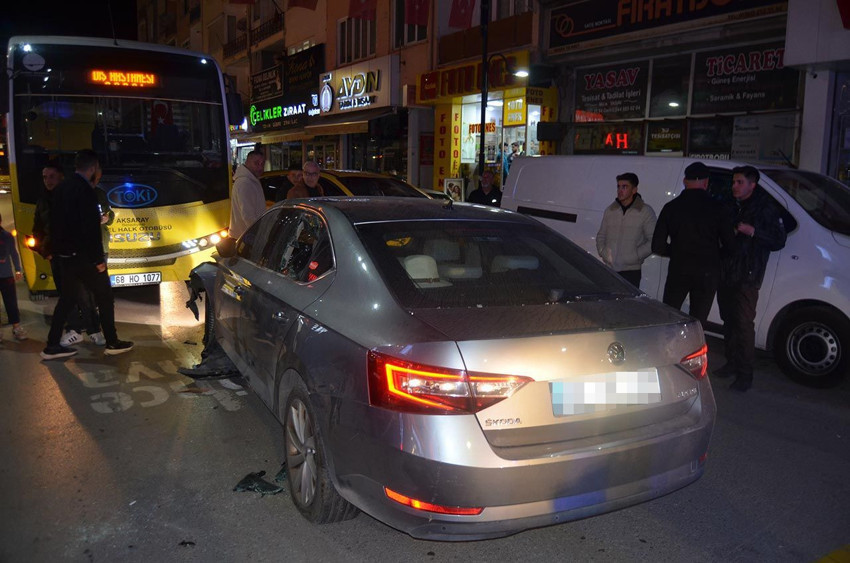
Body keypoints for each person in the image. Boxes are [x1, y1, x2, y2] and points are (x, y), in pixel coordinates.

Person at [41, 149, 133, 360]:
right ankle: (112, 341)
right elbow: (90, 229)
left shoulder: (62, 188)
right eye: (98, 168)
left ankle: (52, 345)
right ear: (93, 168)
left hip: (66, 257)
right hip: (84, 257)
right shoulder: (85, 190)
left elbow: (55, 224)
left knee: (66, 300)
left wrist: (58, 251)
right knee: (105, 296)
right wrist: (97, 260)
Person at [715, 166, 787, 392]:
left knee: (744, 324)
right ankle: (731, 363)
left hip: (748, 274)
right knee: (728, 320)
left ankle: (745, 374)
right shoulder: (729, 204)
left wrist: (753, 231)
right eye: (734, 182)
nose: (734, 186)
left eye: (739, 182)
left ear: (752, 185)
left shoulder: (764, 207)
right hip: (726, 270)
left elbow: (778, 240)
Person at [651, 161, 734, 327]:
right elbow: (730, 246)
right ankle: (694, 350)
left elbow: (657, 246)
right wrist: (714, 255)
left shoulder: (671, 208)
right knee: (698, 320)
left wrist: (676, 251)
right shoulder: (719, 209)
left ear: (684, 181)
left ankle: (668, 349)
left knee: (670, 315)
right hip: (707, 272)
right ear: (706, 182)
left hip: (678, 269)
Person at [32, 162, 98, 345]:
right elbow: (37, 230)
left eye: (51, 176)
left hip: (75, 255)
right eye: (45, 177)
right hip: (56, 257)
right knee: (66, 294)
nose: (48, 181)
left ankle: (94, 329)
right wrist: (46, 252)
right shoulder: (43, 201)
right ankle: (74, 329)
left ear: (61, 176)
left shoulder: (72, 195)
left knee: (84, 293)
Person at [596, 172, 656, 287]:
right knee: (609, 304)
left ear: (634, 190)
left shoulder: (645, 211)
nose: (620, 190)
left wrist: (635, 256)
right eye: (618, 186)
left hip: (631, 271)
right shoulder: (611, 210)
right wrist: (604, 253)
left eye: (625, 187)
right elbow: (601, 236)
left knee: (628, 305)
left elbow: (653, 240)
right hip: (610, 269)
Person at [0, 212, 27, 342]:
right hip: (6, 275)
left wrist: (18, 269)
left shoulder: (6, 236)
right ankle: (16, 328)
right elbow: (14, 254)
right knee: (11, 301)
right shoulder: (7, 236)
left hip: (6, 275)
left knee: (11, 302)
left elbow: (13, 253)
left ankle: (16, 327)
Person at [228, 149, 266, 239]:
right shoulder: (245, 183)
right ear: (247, 162)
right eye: (256, 163)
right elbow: (248, 215)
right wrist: (259, 235)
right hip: (245, 237)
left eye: (262, 164)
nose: (260, 167)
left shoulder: (250, 180)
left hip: (244, 235)